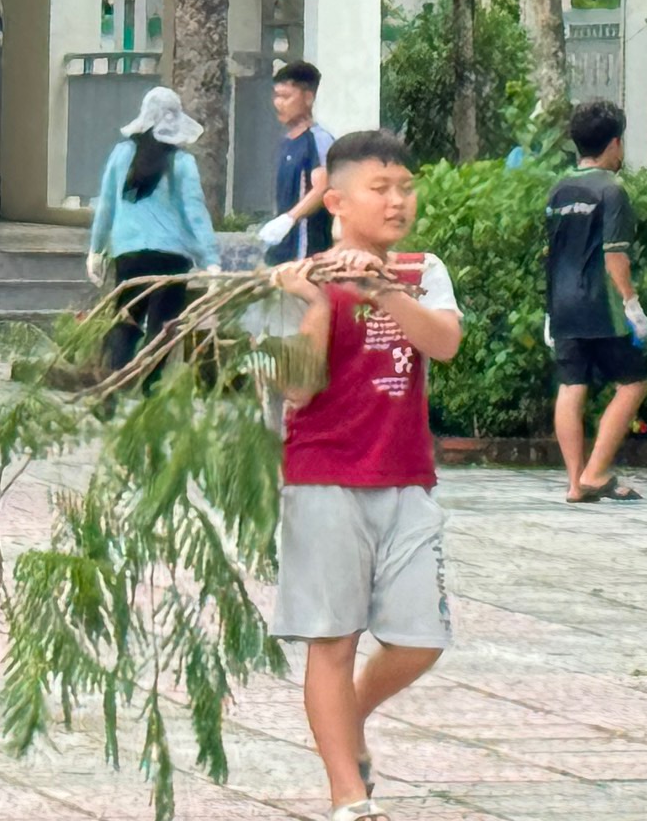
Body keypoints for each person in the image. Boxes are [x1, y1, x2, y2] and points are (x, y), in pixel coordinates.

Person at [271, 129, 463, 821]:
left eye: (405, 188)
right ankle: (348, 797)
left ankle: (343, 718)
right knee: (333, 638)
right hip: (323, 478)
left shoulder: (421, 269)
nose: (397, 201)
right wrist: (316, 305)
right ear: (337, 202)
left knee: (421, 640)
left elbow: (443, 343)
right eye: (380, 189)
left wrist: (382, 290)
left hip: (406, 477)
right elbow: (296, 389)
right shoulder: (301, 278)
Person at [544, 99, 647, 504]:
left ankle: (575, 484)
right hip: (601, 306)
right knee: (633, 382)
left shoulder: (558, 190)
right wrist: (632, 304)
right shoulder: (612, 190)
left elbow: (553, 253)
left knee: (571, 386)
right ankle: (595, 471)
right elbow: (614, 257)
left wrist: (550, 311)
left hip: (562, 304)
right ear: (615, 143)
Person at [86, 86, 219, 377]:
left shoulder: (122, 155)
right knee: (163, 329)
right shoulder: (182, 162)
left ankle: (113, 384)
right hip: (172, 257)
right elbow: (195, 213)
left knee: (126, 321)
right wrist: (210, 260)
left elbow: (106, 206)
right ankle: (150, 388)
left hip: (129, 254)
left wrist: (96, 249)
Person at [258, 62, 336, 261]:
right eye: (276, 96)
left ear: (308, 98)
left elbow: (323, 186)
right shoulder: (286, 142)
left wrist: (289, 218)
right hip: (284, 247)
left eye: (286, 97)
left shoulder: (318, 139)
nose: (278, 103)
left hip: (308, 250)